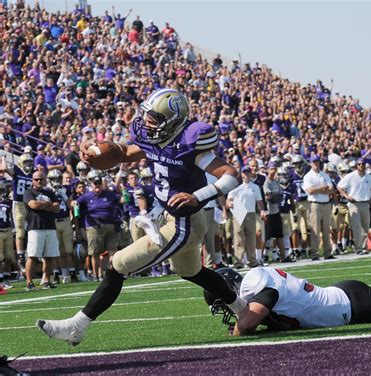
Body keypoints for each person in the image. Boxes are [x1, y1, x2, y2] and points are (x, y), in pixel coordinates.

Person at [37, 88, 246, 345]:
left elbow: (232, 174)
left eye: (155, 118)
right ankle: (243, 309)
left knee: (118, 264)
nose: (147, 122)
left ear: (173, 121)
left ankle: (76, 326)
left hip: (184, 223)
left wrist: (199, 195)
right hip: (171, 218)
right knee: (192, 271)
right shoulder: (155, 137)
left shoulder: (190, 143)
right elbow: (124, 153)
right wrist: (94, 152)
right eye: (146, 115)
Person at [204, 227, 371, 335]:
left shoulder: (257, 287)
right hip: (344, 297)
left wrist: (239, 323)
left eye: (222, 302)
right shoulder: (258, 283)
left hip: (350, 307)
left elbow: (248, 324)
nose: (226, 310)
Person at [23, 170, 60, 290]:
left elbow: (57, 208)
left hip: (50, 227)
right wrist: (48, 204)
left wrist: (42, 206)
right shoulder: (28, 192)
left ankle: (46, 280)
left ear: (45, 180)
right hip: (35, 227)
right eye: (36, 179)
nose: (39, 181)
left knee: (49, 256)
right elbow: (33, 205)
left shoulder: (49, 192)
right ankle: (29, 282)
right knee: (32, 256)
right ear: (32, 180)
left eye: (41, 179)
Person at [226, 166, 266, 269]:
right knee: (238, 237)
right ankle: (239, 261)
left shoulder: (255, 187)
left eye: (248, 172)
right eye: (245, 172)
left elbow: (259, 201)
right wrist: (230, 203)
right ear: (241, 174)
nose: (246, 174)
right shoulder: (236, 187)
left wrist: (262, 210)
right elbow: (228, 199)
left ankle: (252, 260)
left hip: (251, 213)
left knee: (251, 237)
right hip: (239, 212)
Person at [337, 159, 371, 255]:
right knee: (357, 226)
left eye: (363, 164)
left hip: (365, 203)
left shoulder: (369, 177)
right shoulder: (350, 176)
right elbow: (339, 186)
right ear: (357, 165)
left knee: (365, 226)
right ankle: (358, 248)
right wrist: (346, 196)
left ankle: (364, 247)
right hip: (354, 203)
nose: (361, 166)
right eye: (359, 164)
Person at [302, 155, 334, 260]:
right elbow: (309, 191)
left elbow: (331, 190)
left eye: (317, 162)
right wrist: (321, 188)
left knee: (326, 230)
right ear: (310, 163)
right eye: (314, 162)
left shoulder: (324, 175)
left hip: (326, 203)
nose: (316, 164)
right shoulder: (308, 176)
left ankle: (327, 252)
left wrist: (318, 190)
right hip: (315, 204)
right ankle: (314, 253)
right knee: (315, 230)